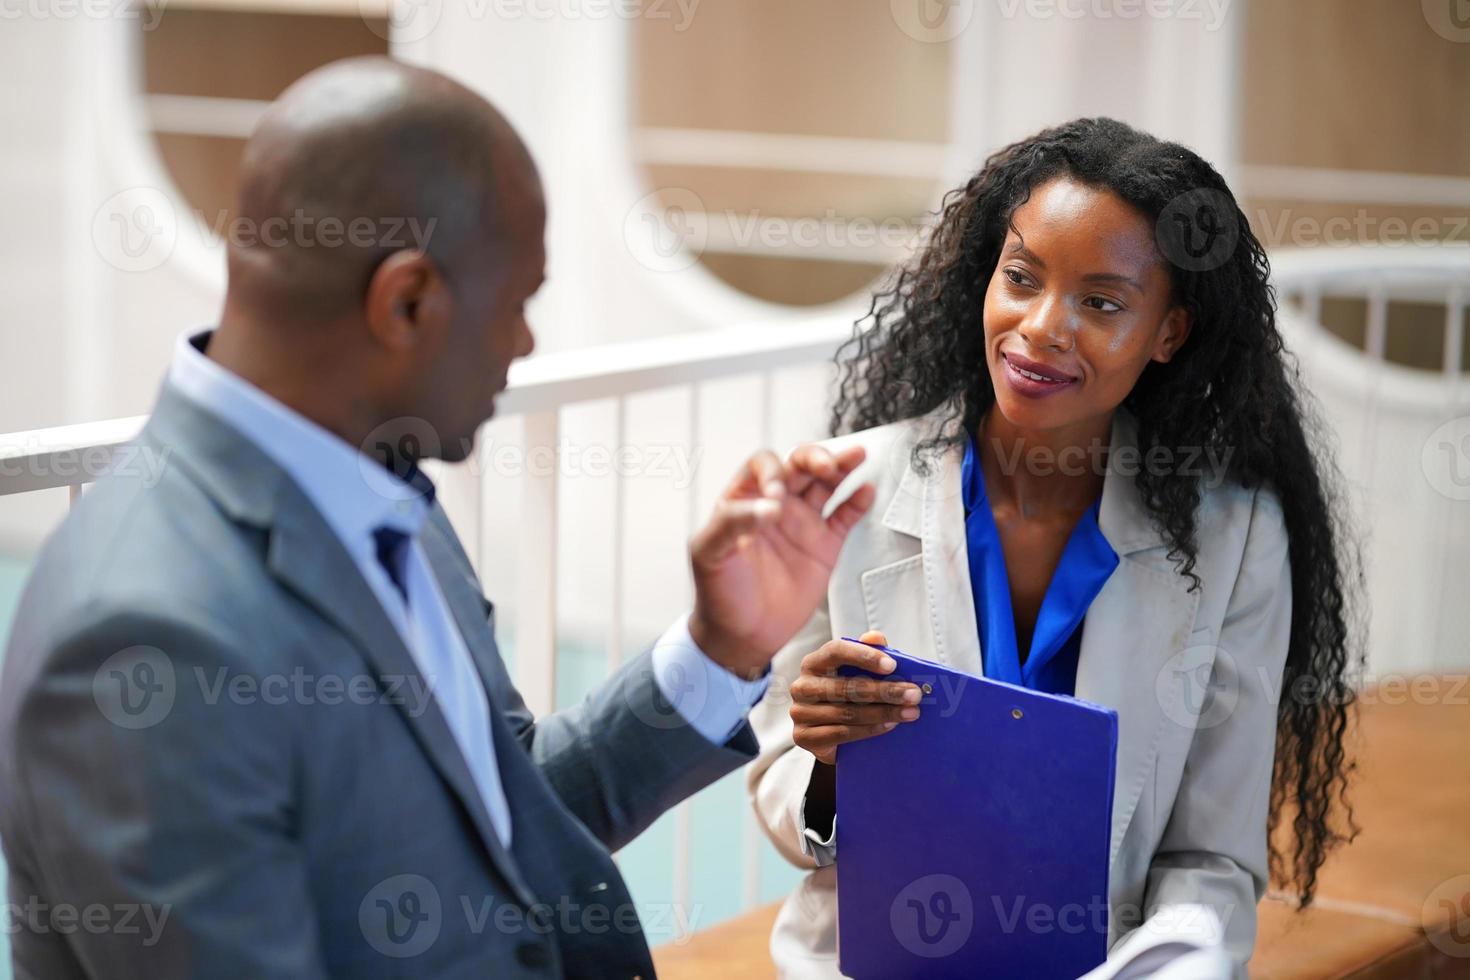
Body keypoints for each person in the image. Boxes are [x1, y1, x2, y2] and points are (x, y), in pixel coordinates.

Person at [0, 57, 878, 978]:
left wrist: (719, 645)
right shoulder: (143, 636)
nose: (527, 344)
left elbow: (507, 819)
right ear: (407, 301)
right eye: (516, 304)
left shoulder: (378, 488)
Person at [747, 117, 1361, 978]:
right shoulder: (852, 492)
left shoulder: (1238, 536)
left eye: (1102, 302)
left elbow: (1211, 865)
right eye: (1022, 278)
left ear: (1169, 334)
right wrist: (824, 762)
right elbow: (785, 809)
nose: (1041, 327)